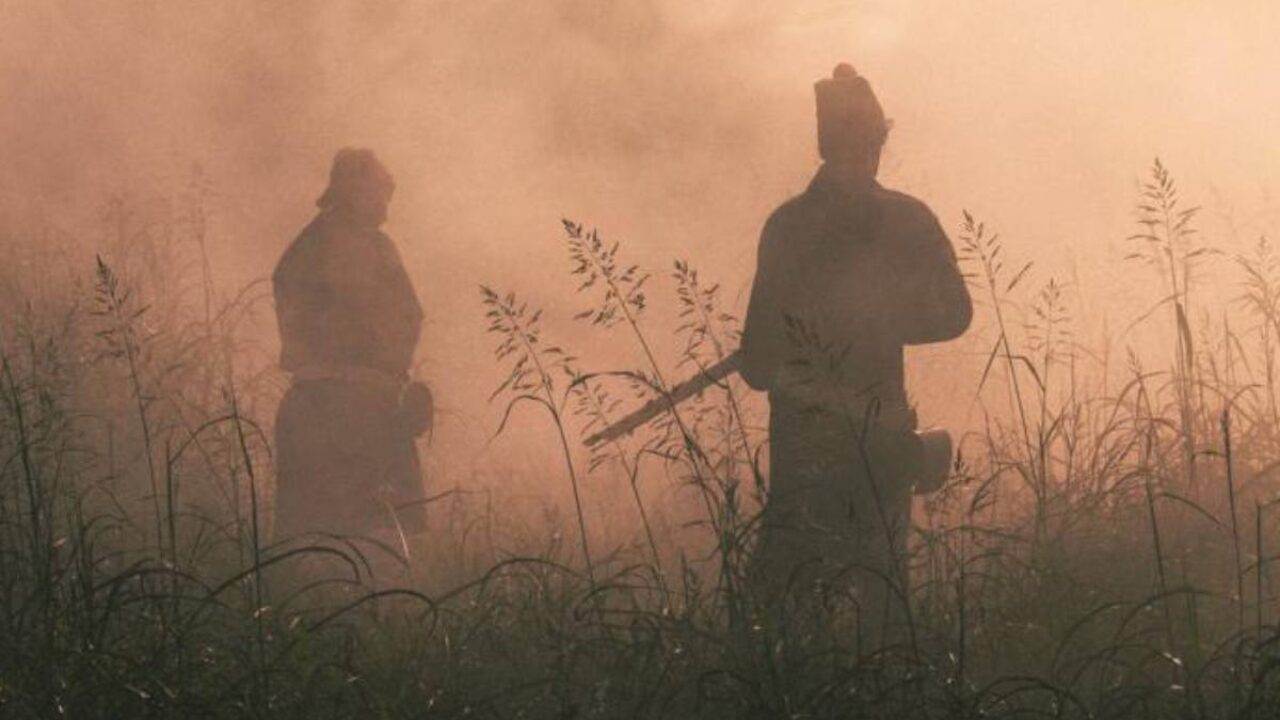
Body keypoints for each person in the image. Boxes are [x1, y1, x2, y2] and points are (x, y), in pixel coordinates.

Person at [740, 64, 972, 649]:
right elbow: (955, 314)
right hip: (881, 437)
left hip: (804, 443)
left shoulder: (787, 226)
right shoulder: (907, 219)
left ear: (824, 142)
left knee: (782, 599)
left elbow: (757, 367)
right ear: (877, 139)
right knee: (882, 593)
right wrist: (882, 322)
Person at [271, 148, 433, 565]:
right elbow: (380, 322)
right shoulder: (336, 249)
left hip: (355, 407)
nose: (384, 207)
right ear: (351, 189)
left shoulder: (330, 247)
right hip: (346, 411)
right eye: (378, 193)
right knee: (349, 544)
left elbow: (405, 318)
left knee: (352, 543)